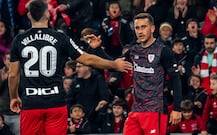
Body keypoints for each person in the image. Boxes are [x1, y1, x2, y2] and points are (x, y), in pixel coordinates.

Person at [8, 0, 132, 135]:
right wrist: (113, 64)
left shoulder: (19, 40)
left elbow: (13, 75)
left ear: (29, 16)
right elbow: (87, 59)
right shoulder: (60, 37)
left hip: (30, 103)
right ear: (48, 14)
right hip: (55, 103)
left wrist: (14, 97)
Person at [123, 13, 182, 135]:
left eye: (143, 27)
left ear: (153, 28)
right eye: (137, 28)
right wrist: (97, 49)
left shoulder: (163, 51)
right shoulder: (133, 51)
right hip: (136, 110)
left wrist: (177, 108)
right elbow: (115, 64)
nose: (140, 31)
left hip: (155, 110)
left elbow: (175, 80)